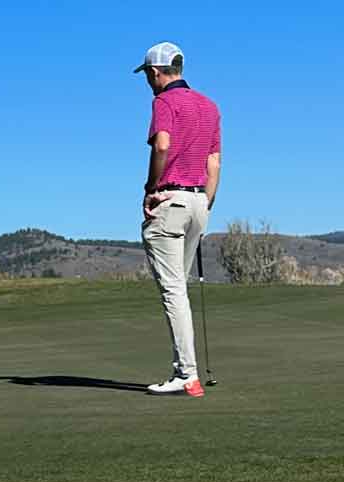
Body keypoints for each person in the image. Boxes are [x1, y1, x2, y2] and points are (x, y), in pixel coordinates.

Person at [136, 43, 221, 397]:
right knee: (179, 290)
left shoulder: (164, 103)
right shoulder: (209, 105)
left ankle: (187, 374)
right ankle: (186, 372)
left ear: (156, 73)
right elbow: (214, 164)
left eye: (147, 76)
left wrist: (150, 189)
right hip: (200, 200)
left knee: (173, 292)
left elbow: (162, 146)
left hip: (170, 200)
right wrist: (205, 203)